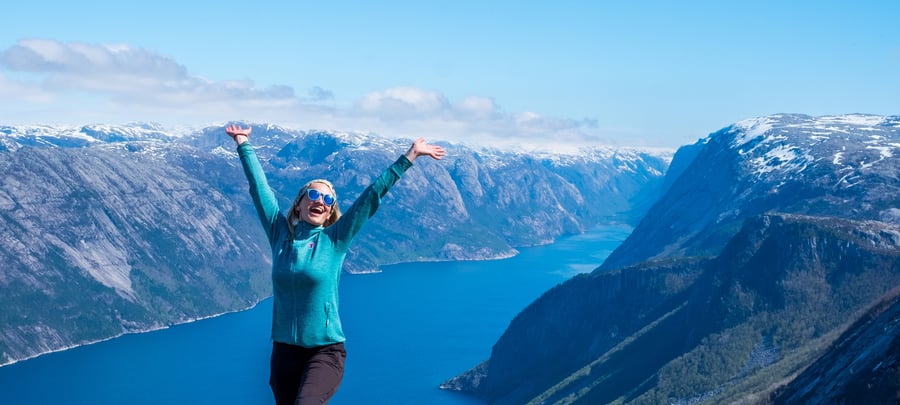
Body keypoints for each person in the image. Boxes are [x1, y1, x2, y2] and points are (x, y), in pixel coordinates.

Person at [224, 123, 445, 405]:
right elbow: (259, 188)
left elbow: (371, 198)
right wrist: (243, 143)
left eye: (328, 199)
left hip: (325, 351)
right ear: (299, 204)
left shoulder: (335, 240)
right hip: (284, 353)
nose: (321, 201)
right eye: (313, 195)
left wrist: (408, 157)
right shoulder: (279, 234)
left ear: (330, 211)